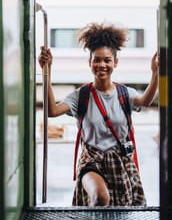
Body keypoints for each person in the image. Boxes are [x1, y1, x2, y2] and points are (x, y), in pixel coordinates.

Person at [38, 22, 159, 207]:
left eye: (107, 60)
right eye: (97, 59)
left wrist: (155, 73)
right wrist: (46, 71)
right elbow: (52, 111)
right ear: (90, 63)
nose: (101, 65)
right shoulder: (82, 96)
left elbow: (145, 101)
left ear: (115, 63)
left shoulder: (125, 93)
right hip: (91, 160)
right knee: (101, 198)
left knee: (121, 212)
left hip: (120, 162)